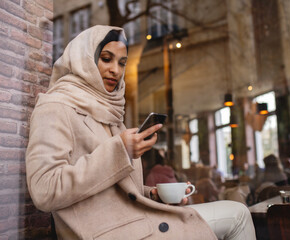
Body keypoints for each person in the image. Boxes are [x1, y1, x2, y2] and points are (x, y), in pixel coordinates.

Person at [26, 25, 256, 240]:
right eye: (106, 59)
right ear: (83, 59)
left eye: (122, 63)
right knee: (237, 214)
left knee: (237, 211)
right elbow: (45, 189)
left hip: (133, 222)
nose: (115, 70)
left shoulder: (111, 113)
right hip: (104, 232)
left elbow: (117, 192)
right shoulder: (56, 106)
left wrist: (152, 194)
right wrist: (120, 151)